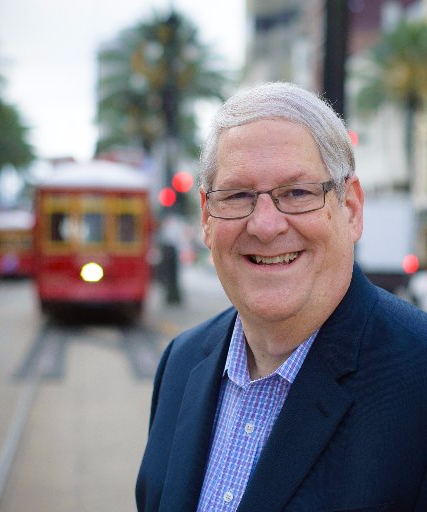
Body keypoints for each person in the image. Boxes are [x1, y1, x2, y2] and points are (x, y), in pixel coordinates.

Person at [136, 82, 427, 511]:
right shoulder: (180, 364)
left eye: (297, 192)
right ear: (206, 218)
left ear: (350, 209)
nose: (265, 225)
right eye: (237, 195)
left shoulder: (418, 376)